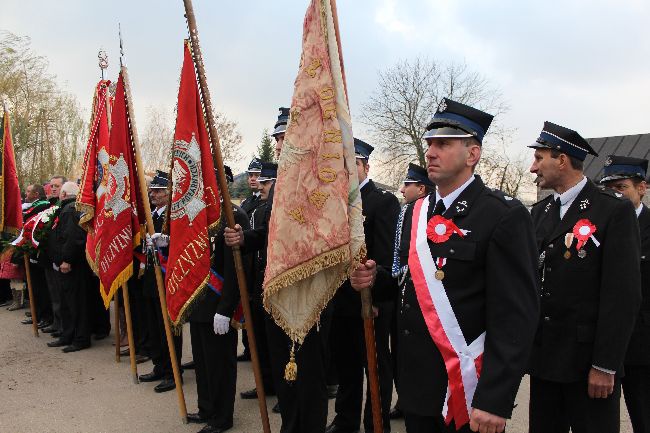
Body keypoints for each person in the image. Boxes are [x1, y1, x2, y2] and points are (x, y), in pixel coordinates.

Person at [350, 98, 540, 433]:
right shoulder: (413, 212)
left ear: (472, 154)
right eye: (430, 144)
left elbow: (515, 316)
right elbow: (406, 284)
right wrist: (374, 279)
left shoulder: (502, 215)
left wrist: (494, 399)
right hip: (417, 382)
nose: (431, 153)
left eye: (444, 144)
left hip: (468, 387)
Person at [528, 123, 642, 433]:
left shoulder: (611, 211)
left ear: (561, 159)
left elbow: (622, 295)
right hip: (545, 359)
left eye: (539, 158)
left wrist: (605, 365)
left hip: (588, 365)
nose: (532, 167)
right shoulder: (539, 213)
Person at [226, 107, 331, 433]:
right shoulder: (281, 183)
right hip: (276, 288)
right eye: (277, 138)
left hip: (307, 292)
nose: (280, 143)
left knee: (308, 373)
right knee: (283, 369)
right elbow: (270, 234)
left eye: (285, 136)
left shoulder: (320, 178)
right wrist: (245, 238)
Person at [327, 138, 401, 433]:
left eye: (353, 164)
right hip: (341, 300)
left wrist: (380, 300)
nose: (347, 171)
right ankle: (345, 420)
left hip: (372, 301)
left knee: (376, 367)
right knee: (346, 367)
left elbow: (386, 257)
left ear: (366, 166)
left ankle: (376, 421)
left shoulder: (382, 202)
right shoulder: (334, 203)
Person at [187, 166, 249, 433]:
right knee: (202, 361)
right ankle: (206, 408)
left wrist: (226, 308)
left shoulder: (234, 216)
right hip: (198, 301)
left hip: (219, 305)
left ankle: (222, 417)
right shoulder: (195, 214)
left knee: (220, 364)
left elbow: (237, 270)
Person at [599, 155, 650, 433]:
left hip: (641, 345)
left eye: (621, 188)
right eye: (608, 189)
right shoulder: (594, 227)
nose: (614, 195)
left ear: (642, 188)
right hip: (601, 345)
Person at [390, 163, 436, 421]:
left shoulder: (429, 214)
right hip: (401, 287)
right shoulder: (406, 212)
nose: (402, 189)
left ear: (421, 188)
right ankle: (405, 400)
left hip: (423, 291)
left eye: (407, 185)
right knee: (400, 351)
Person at [138, 170, 183, 393]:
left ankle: (172, 372)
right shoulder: (152, 214)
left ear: (169, 193)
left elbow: (184, 243)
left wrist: (168, 240)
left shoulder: (174, 215)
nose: (153, 194)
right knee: (154, 325)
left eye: (158, 190)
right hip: (151, 277)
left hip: (167, 278)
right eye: (152, 190)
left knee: (168, 327)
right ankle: (159, 364)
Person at [239, 162, 278, 404]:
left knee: (275, 342)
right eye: (259, 181)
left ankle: (280, 389)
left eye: (265, 182)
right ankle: (264, 384)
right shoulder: (255, 208)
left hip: (274, 279)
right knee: (261, 339)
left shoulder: (274, 209)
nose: (260, 186)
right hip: (257, 279)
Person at [45, 181, 92, 352]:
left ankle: (80, 339)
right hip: (64, 264)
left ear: (64, 194)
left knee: (76, 303)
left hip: (72, 265)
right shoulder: (65, 209)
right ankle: (67, 334)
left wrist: (67, 260)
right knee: (67, 302)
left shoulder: (70, 209)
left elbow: (74, 237)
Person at [238, 157, 264, 362]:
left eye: (257, 175)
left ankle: (255, 349)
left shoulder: (264, 202)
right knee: (247, 303)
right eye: (251, 175)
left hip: (258, 258)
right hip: (247, 259)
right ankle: (249, 348)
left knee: (256, 309)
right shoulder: (247, 202)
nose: (254, 179)